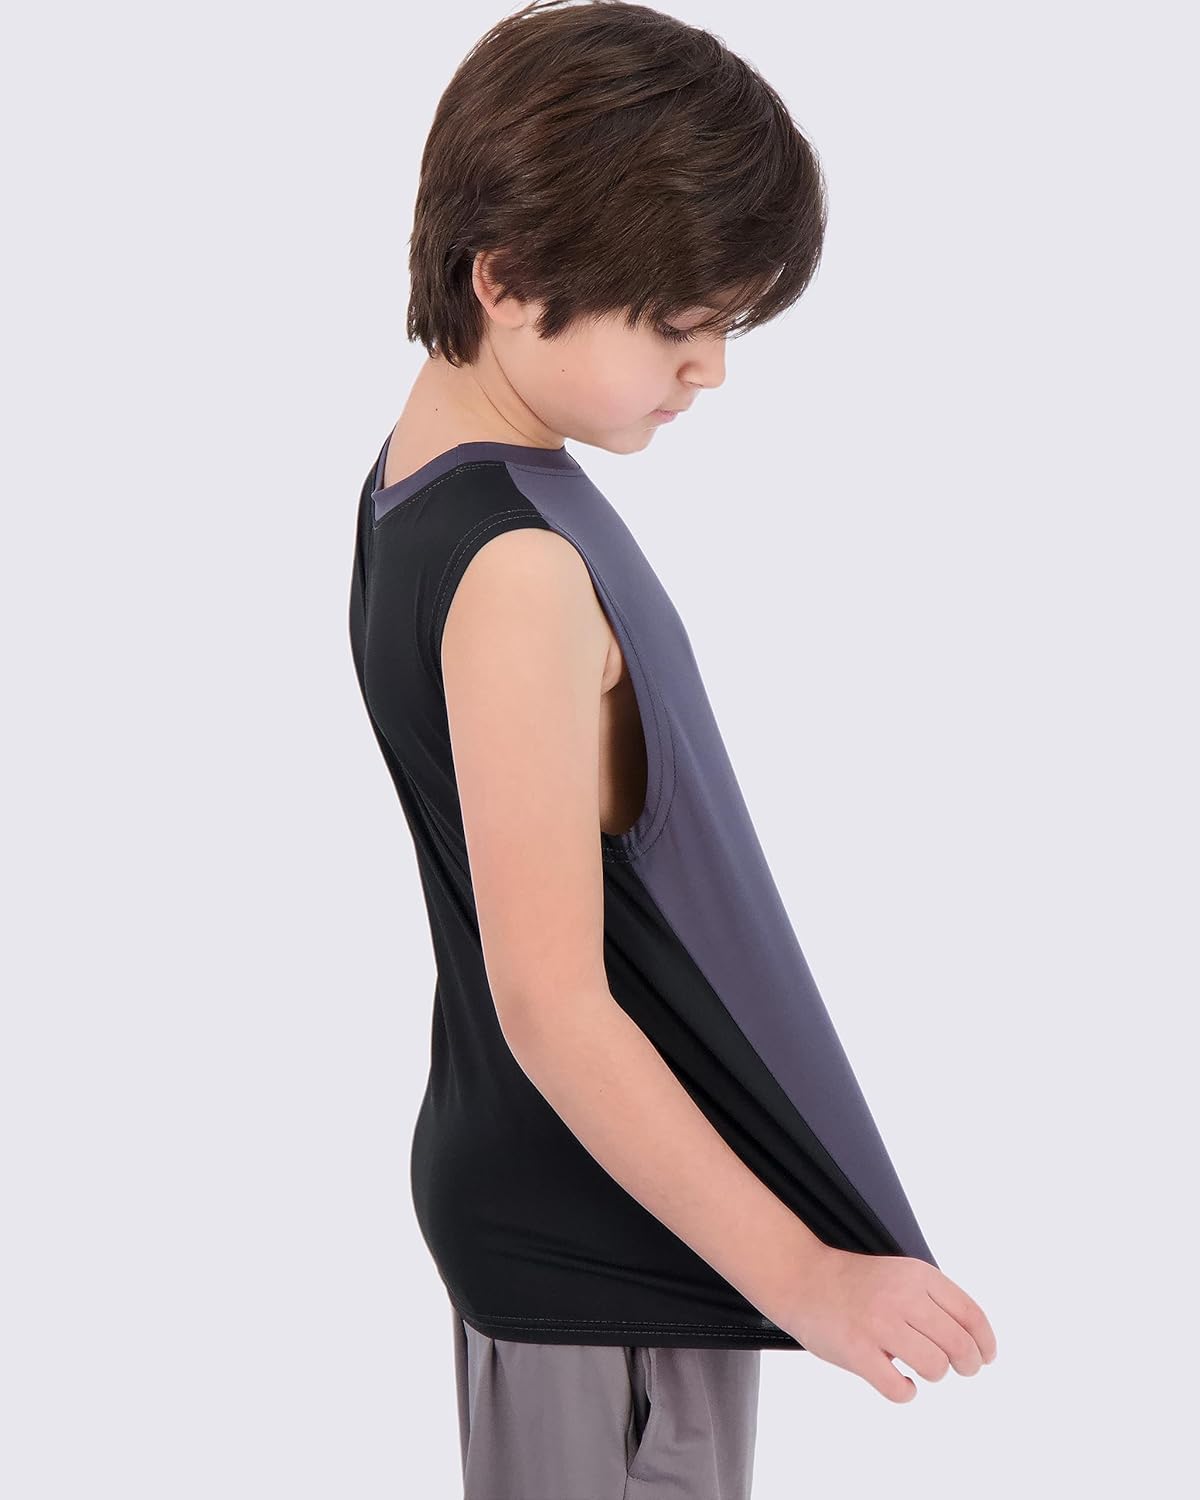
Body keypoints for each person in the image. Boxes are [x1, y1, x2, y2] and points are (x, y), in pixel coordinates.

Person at [347, 3, 997, 1495]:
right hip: (607, 1257)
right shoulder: (515, 567)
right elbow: (553, 1002)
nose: (709, 371)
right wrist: (806, 1277)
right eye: (678, 324)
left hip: (578, 1222)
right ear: (505, 277)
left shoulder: (420, 484)